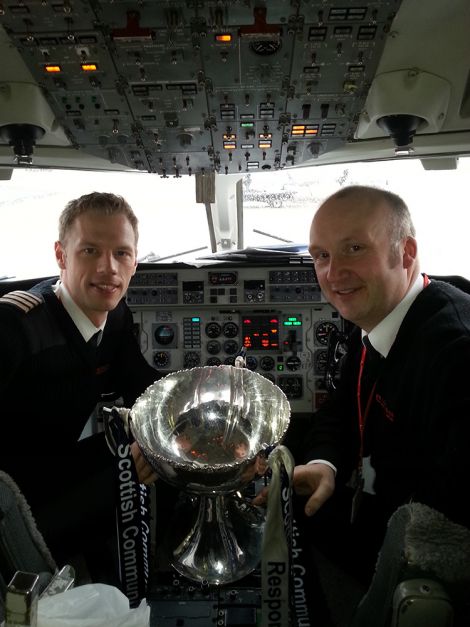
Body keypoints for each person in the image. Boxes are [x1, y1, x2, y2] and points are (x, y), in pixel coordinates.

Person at [259, 184, 470, 587]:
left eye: (354, 248)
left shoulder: (456, 354)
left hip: (418, 548)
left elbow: (448, 516)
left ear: (405, 253)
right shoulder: (380, 316)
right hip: (379, 498)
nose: (333, 273)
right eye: (321, 255)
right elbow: (341, 408)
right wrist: (323, 463)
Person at [0, 191, 160, 581]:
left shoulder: (116, 314)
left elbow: (142, 387)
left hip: (55, 462)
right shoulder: (16, 327)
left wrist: (207, 409)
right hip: (10, 495)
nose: (109, 268)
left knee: (153, 454)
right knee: (128, 471)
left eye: (122, 253)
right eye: (90, 250)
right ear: (61, 256)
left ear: (135, 261)